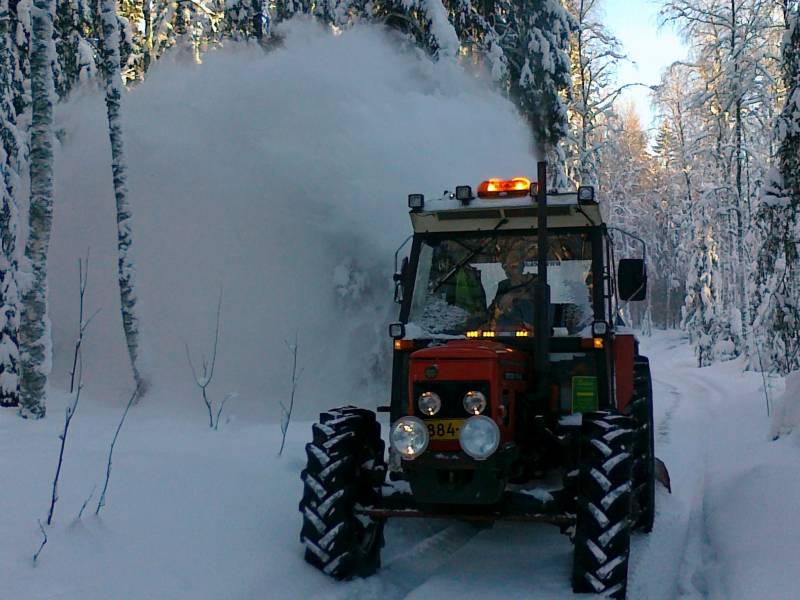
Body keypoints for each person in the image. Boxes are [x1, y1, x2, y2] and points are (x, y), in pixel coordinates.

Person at [489, 249, 537, 328]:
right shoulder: (503, 285)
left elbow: (536, 298)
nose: (508, 270)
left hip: (535, 331)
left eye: (514, 266)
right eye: (505, 267)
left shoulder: (534, 281)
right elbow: (500, 305)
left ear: (522, 266)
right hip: (508, 329)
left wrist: (513, 296)